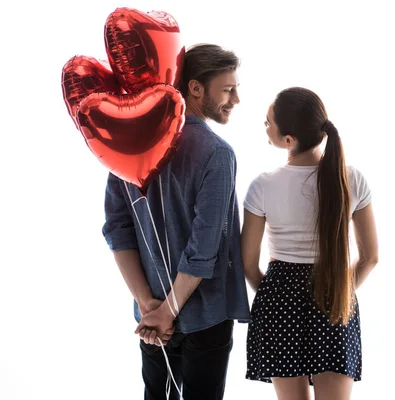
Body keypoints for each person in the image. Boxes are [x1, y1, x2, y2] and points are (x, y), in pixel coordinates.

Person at [102, 43, 251, 400]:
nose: (236, 99)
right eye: (229, 89)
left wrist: (149, 305)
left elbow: (117, 229)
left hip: (152, 316)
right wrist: (167, 311)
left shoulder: (132, 143)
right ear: (196, 88)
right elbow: (204, 247)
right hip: (200, 315)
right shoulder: (216, 152)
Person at [241, 87, 379, 400]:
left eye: (268, 123)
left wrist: (275, 298)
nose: (265, 126)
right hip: (334, 295)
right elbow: (370, 257)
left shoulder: (263, 185)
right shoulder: (352, 179)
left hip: (280, 300)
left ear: (289, 140)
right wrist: (341, 291)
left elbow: (248, 263)